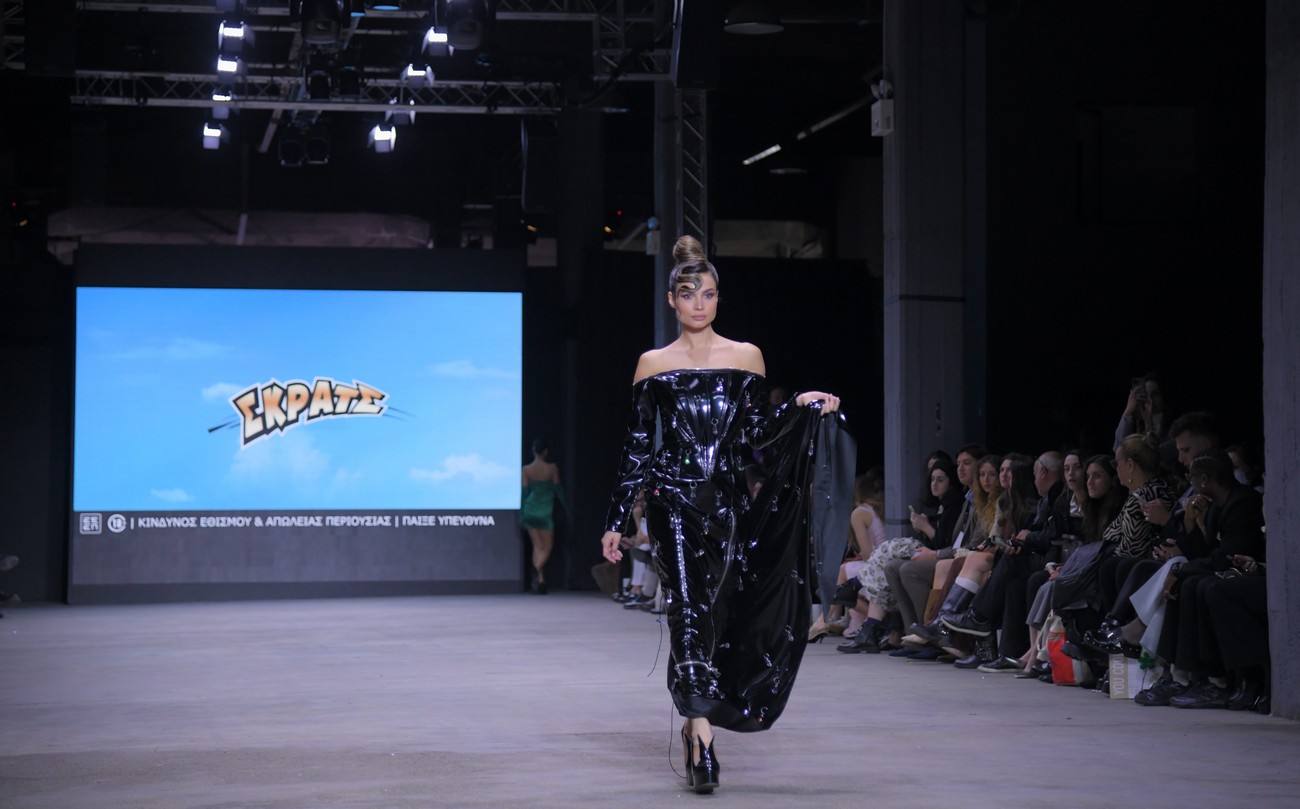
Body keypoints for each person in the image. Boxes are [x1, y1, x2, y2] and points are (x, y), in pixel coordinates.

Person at [598, 235, 842, 794]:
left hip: (730, 506)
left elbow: (757, 433)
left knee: (716, 616)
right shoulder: (653, 364)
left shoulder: (746, 356)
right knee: (687, 608)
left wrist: (799, 407)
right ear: (672, 300)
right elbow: (638, 447)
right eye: (688, 295)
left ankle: (692, 725)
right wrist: (617, 518)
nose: (699, 304)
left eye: (708, 294)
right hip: (672, 503)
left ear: (717, 298)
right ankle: (704, 741)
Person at [520, 437, 567, 594]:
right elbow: (558, 488)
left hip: (530, 509)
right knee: (546, 547)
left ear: (533, 450)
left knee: (537, 547)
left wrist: (522, 511)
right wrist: (566, 506)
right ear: (546, 451)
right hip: (545, 510)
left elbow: (524, 492)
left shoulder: (526, 469)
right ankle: (536, 570)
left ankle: (540, 581)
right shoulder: (551, 468)